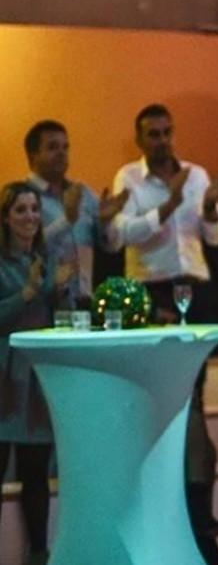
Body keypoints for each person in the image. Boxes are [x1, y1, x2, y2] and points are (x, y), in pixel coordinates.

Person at [108, 103, 218, 564]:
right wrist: (169, 205)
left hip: (194, 290)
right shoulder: (128, 179)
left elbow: (214, 237)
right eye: (152, 134)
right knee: (168, 406)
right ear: (140, 140)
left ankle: (200, 521)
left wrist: (212, 207)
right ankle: (183, 523)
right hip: (151, 292)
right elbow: (121, 236)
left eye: (166, 132)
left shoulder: (195, 174)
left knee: (193, 401)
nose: (162, 141)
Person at [0, 182, 73, 565]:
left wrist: (62, 293)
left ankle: (39, 554)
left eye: (34, 210)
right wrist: (25, 294)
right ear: (5, 219)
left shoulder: (44, 260)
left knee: (35, 475)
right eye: (20, 211)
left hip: (36, 380)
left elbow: (56, 320)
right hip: (4, 379)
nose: (30, 217)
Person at [24, 120, 130, 304]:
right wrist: (67, 219)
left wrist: (106, 222)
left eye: (65, 147)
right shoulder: (22, 196)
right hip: (41, 303)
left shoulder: (83, 193)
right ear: (33, 155)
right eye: (52, 147)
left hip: (83, 301)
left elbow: (112, 246)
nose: (61, 153)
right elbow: (25, 246)